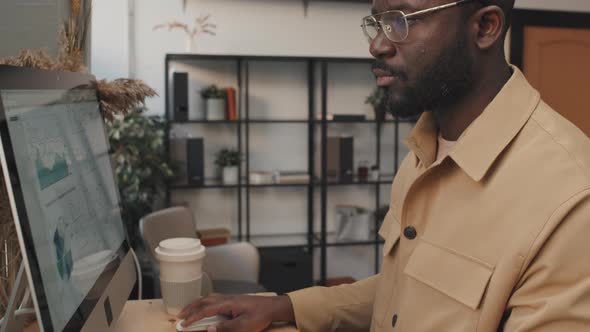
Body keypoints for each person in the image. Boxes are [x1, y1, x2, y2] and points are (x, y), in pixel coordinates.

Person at [179, 0, 590, 330]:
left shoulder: (572, 198)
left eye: (402, 19)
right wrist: (286, 306)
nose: (377, 44)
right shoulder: (423, 151)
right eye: (376, 22)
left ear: (484, 27)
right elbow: (407, 293)